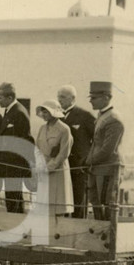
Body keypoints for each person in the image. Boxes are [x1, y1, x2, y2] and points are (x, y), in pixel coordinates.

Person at [86, 80, 124, 221]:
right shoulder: (102, 116)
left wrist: (88, 161)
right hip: (97, 168)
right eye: (91, 98)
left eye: (94, 98)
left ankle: (109, 236)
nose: (91, 101)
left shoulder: (114, 119)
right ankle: (99, 235)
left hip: (108, 168)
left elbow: (107, 150)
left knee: (108, 204)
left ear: (106, 97)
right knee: (95, 202)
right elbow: (95, 143)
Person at [0, 82, 34, 214]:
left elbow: (25, 142)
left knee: (14, 200)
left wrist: (24, 169)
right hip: (7, 165)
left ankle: (18, 229)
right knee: (11, 199)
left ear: (9, 98)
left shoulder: (19, 113)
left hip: (14, 166)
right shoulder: (10, 111)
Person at [57, 84, 96, 218]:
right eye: (58, 97)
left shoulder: (85, 116)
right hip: (63, 166)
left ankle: (79, 234)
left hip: (79, 167)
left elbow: (96, 140)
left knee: (79, 201)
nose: (59, 100)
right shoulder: (58, 116)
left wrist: (87, 159)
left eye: (62, 97)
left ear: (73, 98)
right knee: (65, 201)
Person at [34, 99, 74, 217]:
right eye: (42, 112)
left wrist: (49, 167)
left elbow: (63, 153)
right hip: (43, 170)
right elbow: (37, 148)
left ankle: (58, 230)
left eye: (46, 112)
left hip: (57, 171)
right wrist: (40, 164)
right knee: (44, 206)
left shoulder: (64, 129)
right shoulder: (42, 128)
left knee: (57, 205)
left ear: (53, 112)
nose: (43, 114)